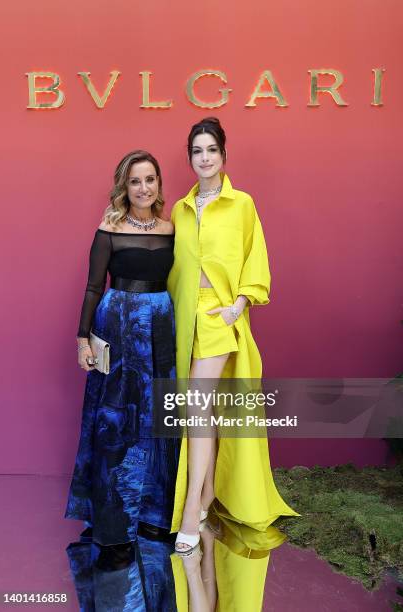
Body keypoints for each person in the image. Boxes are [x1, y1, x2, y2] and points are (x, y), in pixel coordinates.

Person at [167, 117, 299, 554]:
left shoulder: (242, 204)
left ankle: (190, 511)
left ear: (224, 155)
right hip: (184, 321)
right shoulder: (180, 211)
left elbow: (254, 257)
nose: (204, 158)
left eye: (211, 150)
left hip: (219, 319)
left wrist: (238, 306)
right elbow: (172, 271)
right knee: (199, 414)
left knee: (197, 411)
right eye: (197, 151)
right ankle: (204, 497)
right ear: (190, 158)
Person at [65, 150, 179, 546]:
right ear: (124, 187)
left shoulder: (172, 229)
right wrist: (83, 340)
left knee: (158, 416)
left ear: (158, 185)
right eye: (135, 181)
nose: (143, 188)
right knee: (112, 417)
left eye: (150, 180)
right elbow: (94, 287)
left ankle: (155, 514)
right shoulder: (108, 229)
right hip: (116, 324)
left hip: (161, 327)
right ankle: (108, 509)